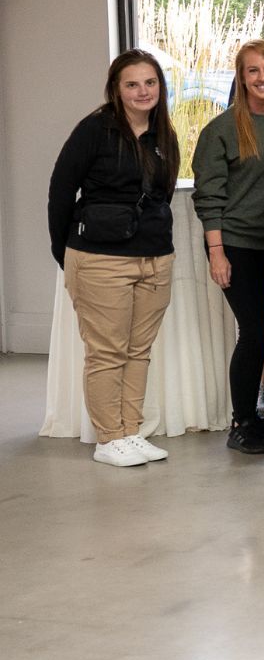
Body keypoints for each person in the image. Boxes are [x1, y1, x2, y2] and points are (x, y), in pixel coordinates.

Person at [47, 50, 180, 468]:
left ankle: (130, 431)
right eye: (132, 84)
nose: (143, 91)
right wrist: (65, 251)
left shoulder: (163, 132)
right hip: (100, 258)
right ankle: (109, 438)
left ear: (160, 86)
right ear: (116, 89)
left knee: (138, 350)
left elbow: (163, 192)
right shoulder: (95, 129)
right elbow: (60, 190)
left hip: (155, 257)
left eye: (150, 82)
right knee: (106, 351)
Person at [192, 41, 264, 454]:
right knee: (253, 331)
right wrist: (217, 252)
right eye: (253, 71)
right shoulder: (221, 129)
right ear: (241, 77)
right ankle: (242, 421)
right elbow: (208, 197)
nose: (262, 77)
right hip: (236, 244)